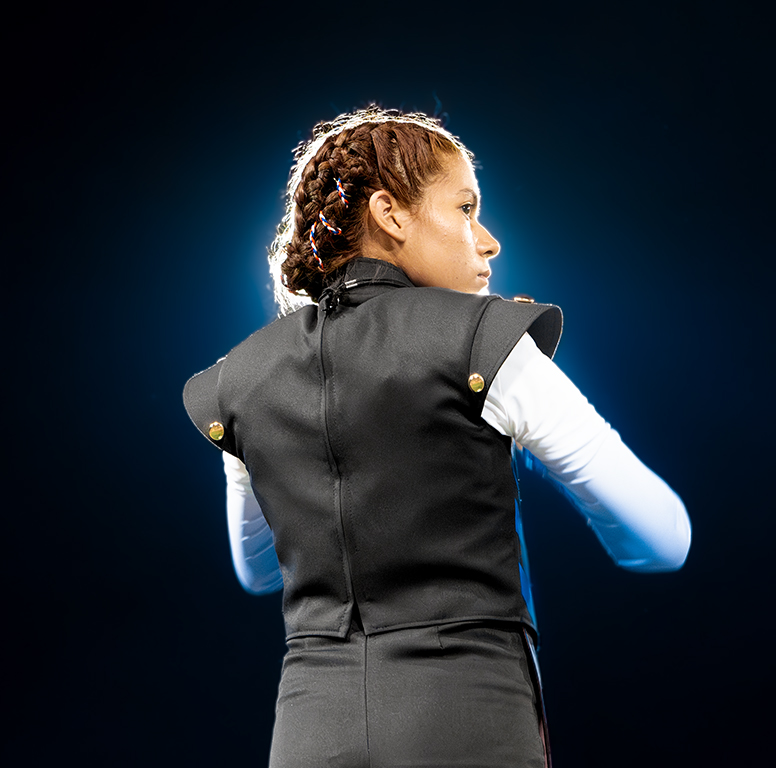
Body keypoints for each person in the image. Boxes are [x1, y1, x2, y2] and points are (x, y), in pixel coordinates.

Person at [183, 106, 691, 768]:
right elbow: (662, 538)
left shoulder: (240, 378)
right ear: (392, 215)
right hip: (465, 722)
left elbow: (257, 572)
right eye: (464, 208)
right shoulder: (486, 342)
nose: (488, 242)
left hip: (310, 734)